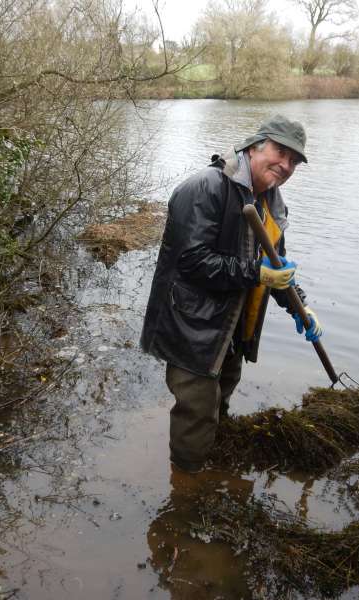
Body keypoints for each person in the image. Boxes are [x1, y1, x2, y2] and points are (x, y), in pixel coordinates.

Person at [140, 114, 322, 473]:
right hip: (191, 325)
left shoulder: (272, 202)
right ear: (255, 145)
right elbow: (191, 261)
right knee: (196, 411)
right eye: (280, 152)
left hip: (233, 324)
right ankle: (186, 489)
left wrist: (301, 307)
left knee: (222, 396)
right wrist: (256, 273)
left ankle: (213, 471)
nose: (286, 165)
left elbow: (276, 267)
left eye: (294, 161)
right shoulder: (205, 187)